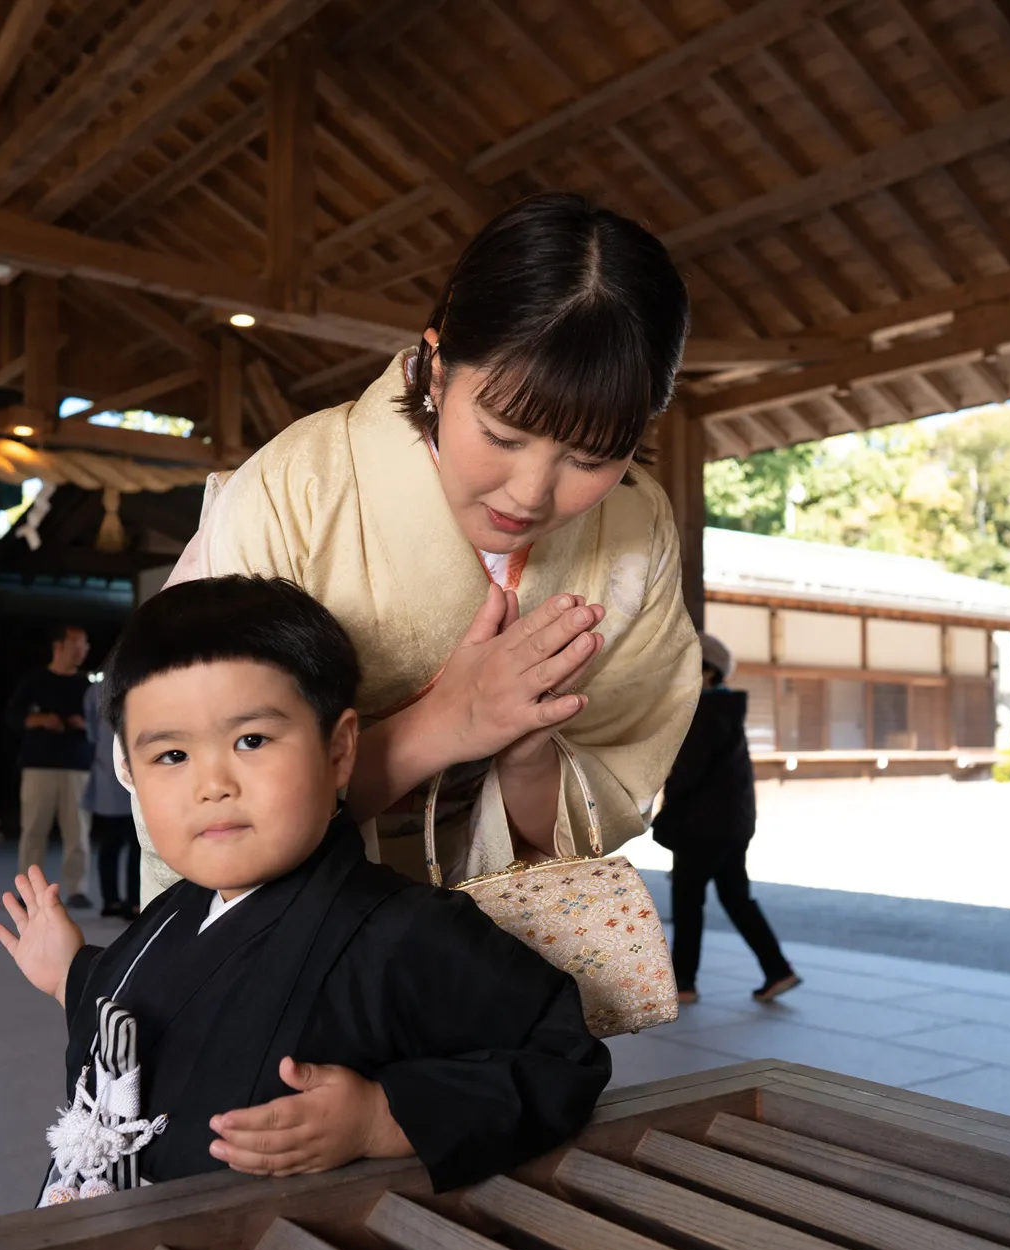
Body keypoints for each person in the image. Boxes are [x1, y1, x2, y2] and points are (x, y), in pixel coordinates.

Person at [0, 577, 608, 1200]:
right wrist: (69, 972)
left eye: (251, 740)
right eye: (171, 756)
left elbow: (562, 1056)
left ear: (339, 750)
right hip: (114, 1242)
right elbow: (144, 1008)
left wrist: (382, 1117)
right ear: (129, 770)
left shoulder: (405, 932)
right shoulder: (170, 917)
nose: (212, 784)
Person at [160, 193, 699, 898]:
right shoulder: (298, 490)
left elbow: (584, 818)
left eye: (592, 457)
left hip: (488, 937)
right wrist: (446, 725)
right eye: (503, 435)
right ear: (437, 368)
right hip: (283, 929)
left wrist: (527, 750)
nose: (530, 493)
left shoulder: (638, 526)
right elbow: (198, 795)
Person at [654, 634, 798, 1004]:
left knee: (688, 902)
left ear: (709, 672)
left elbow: (687, 774)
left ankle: (683, 982)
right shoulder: (724, 711)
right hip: (729, 826)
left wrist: (663, 814)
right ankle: (777, 969)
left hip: (701, 828)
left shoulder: (707, 713)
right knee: (735, 898)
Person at [6, 624, 94, 909]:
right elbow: (14, 717)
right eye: (76, 643)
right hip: (39, 765)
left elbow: (104, 723)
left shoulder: (87, 685)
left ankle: (77, 888)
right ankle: (28, 889)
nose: (81, 649)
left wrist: (85, 725)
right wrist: (43, 720)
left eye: (84, 644)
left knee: (78, 832)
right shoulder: (35, 681)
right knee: (33, 830)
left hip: (77, 766)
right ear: (58, 646)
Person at [82, 676, 139, 920]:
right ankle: (122, 900)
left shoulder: (99, 690)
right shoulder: (99, 691)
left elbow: (91, 733)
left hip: (124, 773)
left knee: (128, 844)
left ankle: (124, 900)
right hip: (113, 774)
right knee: (119, 843)